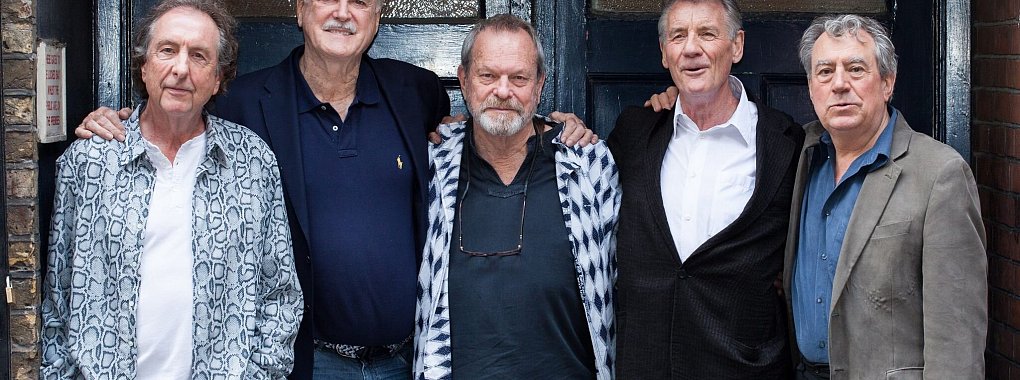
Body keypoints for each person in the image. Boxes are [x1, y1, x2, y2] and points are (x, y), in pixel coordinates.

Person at [74, 1, 592, 378]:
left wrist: (557, 126)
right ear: (299, 9)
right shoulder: (244, 104)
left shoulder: (414, 92)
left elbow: (492, 122)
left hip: (404, 360)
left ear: (378, 16)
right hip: (309, 362)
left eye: (360, 2)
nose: (342, 12)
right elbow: (175, 114)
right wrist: (116, 121)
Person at [40, 0, 303, 378]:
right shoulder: (90, 162)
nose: (181, 69)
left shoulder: (252, 161)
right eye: (167, 51)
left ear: (217, 78)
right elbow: (57, 298)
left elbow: (279, 292)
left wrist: (263, 372)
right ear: (143, 65)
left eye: (199, 56)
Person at [414, 14, 619, 380]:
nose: (503, 91)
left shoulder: (588, 164)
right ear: (464, 81)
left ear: (539, 85)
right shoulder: (432, 166)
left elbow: (625, 279)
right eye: (487, 75)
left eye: (519, 78)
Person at [607, 0, 805, 377]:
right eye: (678, 35)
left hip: (744, 368)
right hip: (644, 365)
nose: (691, 48)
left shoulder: (786, 143)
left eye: (707, 34)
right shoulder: (635, 131)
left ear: (737, 46)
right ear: (665, 54)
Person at [785, 14, 987, 379]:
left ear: (887, 82)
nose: (840, 84)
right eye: (825, 71)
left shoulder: (939, 174)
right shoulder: (796, 154)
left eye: (856, 69)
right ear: (811, 86)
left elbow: (957, 339)